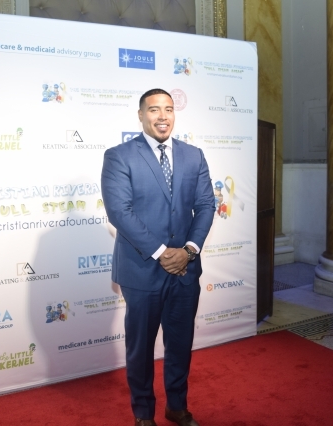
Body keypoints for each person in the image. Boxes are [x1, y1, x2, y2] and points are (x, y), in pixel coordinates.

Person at [101, 88, 215, 426]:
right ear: (141, 115)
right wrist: (163, 253)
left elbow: (206, 205)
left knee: (180, 344)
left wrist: (189, 250)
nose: (163, 116)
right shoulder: (119, 156)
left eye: (168, 109)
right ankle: (143, 414)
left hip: (185, 270)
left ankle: (177, 407)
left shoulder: (193, 155)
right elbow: (119, 212)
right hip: (141, 270)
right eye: (154, 109)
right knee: (140, 349)